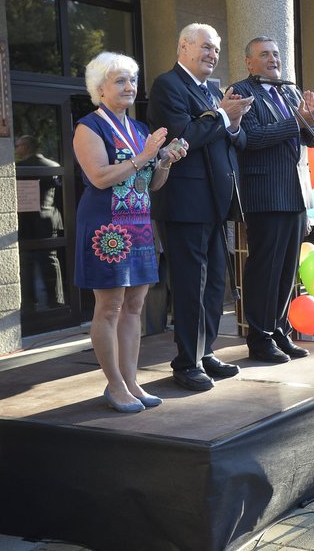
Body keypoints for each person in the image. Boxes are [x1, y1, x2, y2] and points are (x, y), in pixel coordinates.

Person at [74, 52, 187, 411]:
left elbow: (151, 184)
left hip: (138, 225)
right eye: (120, 80)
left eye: (132, 80)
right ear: (100, 88)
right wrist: (145, 155)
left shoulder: (139, 130)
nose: (129, 86)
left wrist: (164, 160)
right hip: (105, 227)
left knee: (135, 306)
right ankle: (115, 384)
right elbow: (99, 177)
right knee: (109, 307)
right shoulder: (88, 127)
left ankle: (132, 381)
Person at [149, 24, 251, 392]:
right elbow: (183, 138)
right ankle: (185, 361)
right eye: (206, 47)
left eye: (217, 49)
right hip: (184, 203)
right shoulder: (168, 85)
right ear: (184, 47)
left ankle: (205, 352)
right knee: (192, 283)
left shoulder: (211, 91)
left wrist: (234, 123)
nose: (213, 54)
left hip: (215, 203)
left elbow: (229, 142)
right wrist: (223, 117)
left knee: (214, 284)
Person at [230, 36, 314, 363]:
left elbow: (312, 141)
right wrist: (298, 120)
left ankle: (280, 331)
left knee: (286, 271)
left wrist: (313, 119)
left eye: (276, 54)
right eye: (265, 55)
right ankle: (259, 339)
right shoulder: (241, 91)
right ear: (249, 62)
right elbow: (252, 138)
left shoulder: (290, 91)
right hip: (265, 195)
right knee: (264, 270)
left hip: (296, 192)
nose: (273, 60)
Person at [15, 135, 65, 310]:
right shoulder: (53, 165)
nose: (15, 149)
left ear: (26, 147)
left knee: (27, 262)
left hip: (27, 220)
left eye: (18, 145)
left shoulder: (19, 167)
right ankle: (56, 300)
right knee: (50, 261)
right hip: (49, 218)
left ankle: (29, 303)